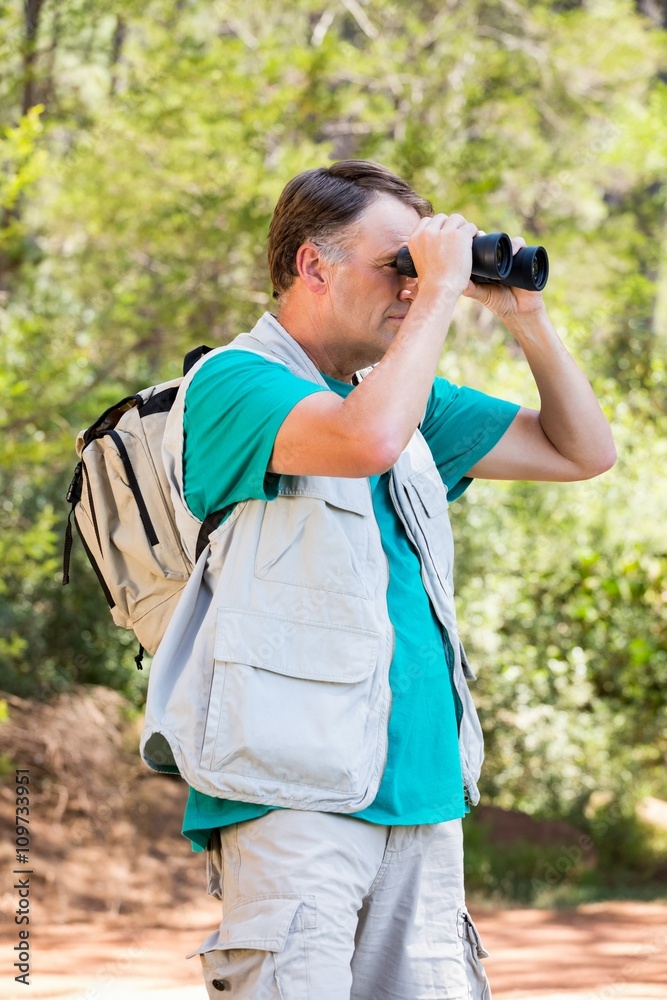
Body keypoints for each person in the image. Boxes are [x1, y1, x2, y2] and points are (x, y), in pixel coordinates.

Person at [140, 160, 615, 1000]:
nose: (413, 286)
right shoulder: (235, 383)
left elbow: (581, 451)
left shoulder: (403, 399)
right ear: (312, 266)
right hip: (291, 794)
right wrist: (439, 293)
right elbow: (363, 441)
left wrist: (526, 319)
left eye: (421, 268)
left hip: (422, 792)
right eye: (399, 264)